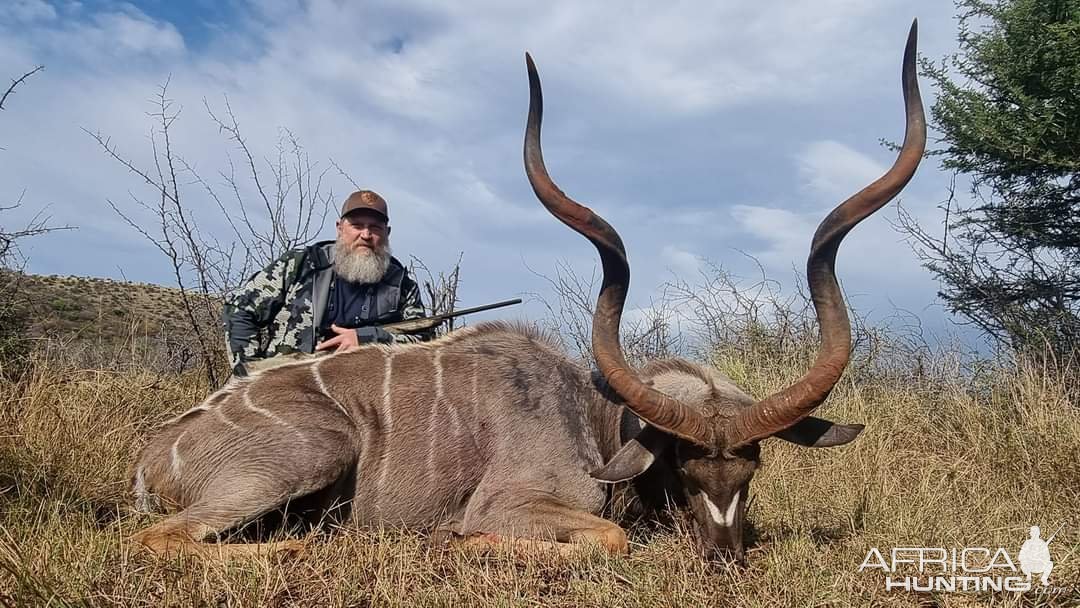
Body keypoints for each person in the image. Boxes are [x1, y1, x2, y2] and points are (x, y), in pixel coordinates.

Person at [223, 190, 430, 375]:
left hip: (363, 392)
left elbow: (423, 342)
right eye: (357, 225)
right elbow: (240, 308)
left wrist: (369, 339)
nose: (366, 235)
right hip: (290, 384)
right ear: (340, 228)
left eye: (375, 228)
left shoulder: (402, 285)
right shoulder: (303, 264)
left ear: (387, 233)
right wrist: (248, 370)